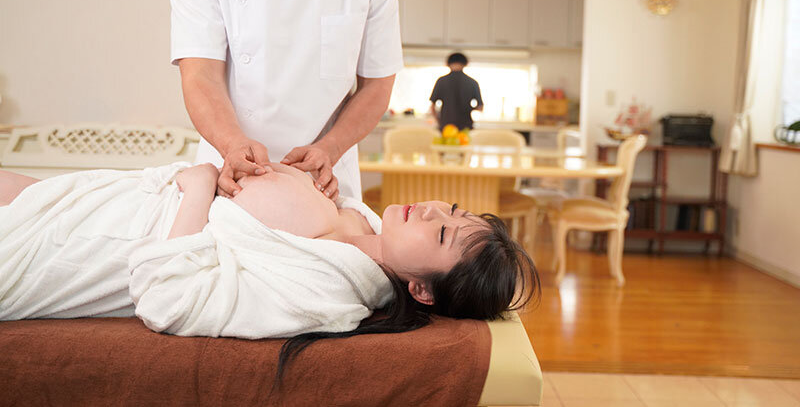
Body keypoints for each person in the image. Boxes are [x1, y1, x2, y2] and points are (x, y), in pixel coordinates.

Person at [0, 164, 540, 350]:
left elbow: (169, 301)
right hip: (99, 199)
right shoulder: (358, 220)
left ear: (421, 290)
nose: (432, 210)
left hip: (95, 243)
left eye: (442, 232)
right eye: (452, 209)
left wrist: (198, 187)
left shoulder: (328, 292)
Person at [171, 0, 403, 204]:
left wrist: (330, 148)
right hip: (230, 171)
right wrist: (232, 144)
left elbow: (377, 85)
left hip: (324, 177)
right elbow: (200, 74)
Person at [429, 52, 484, 131]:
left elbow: (432, 107)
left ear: (447, 63)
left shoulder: (441, 81)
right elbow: (480, 107)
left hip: (446, 126)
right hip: (466, 126)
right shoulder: (472, 82)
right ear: (465, 64)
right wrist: (469, 109)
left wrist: (439, 121)